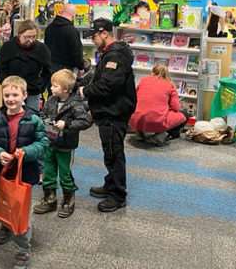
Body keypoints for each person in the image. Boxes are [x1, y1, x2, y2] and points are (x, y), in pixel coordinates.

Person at [0, 76, 47, 269]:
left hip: (24, 174)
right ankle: (6, 226)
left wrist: (26, 153)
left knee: (20, 213)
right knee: (4, 203)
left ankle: (23, 249)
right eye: (7, 94)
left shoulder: (33, 120)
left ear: (24, 95)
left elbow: (42, 144)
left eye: (15, 94)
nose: (10, 98)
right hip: (1, 172)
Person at [79, 18, 136, 212]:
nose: (92, 40)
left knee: (114, 153)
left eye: (94, 36)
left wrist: (84, 91)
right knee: (110, 151)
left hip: (114, 111)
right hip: (108, 110)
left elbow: (108, 85)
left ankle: (118, 195)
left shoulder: (116, 56)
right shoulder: (110, 53)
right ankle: (110, 184)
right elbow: (101, 77)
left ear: (105, 34)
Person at [34, 69, 91, 218]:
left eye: (54, 86)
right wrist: (45, 121)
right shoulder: (52, 100)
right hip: (50, 142)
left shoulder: (75, 104)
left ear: (65, 89)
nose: (51, 88)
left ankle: (68, 199)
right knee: (48, 171)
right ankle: (49, 198)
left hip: (66, 145)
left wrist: (67, 124)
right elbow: (43, 113)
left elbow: (85, 121)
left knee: (65, 173)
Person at [0, 20, 52, 112]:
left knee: (31, 119)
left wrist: (40, 85)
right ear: (20, 34)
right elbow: (0, 69)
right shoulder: (8, 47)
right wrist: (7, 85)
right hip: (12, 91)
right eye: (27, 37)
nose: (31, 40)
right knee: (11, 118)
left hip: (33, 91)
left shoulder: (42, 49)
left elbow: (47, 71)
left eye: (34, 37)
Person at [128, 64, 189, 146]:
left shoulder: (143, 80)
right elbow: (176, 107)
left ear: (153, 71)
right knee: (184, 115)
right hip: (156, 120)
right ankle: (159, 136)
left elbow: (135, 97)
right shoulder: (169, 85)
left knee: (143, 110)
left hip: (136, 119)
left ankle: (139, 133)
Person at [44, 3, 84, 76]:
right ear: (73, 15)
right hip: (66, 68)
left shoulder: (49, 28)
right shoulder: (72, 31)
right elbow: (76, 52)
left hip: (50, 66)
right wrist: (80, 67)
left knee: (53, 87)